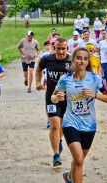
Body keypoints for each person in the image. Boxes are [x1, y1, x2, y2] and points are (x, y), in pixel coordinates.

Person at [51, 47, 107, 183]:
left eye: (85, 59)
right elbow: (53, 96)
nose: (82, 61)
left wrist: (95, 95)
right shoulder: (65, 79)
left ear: (88, 61)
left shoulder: (95, 79)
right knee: (79, 159)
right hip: (70, 122)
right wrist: (56, 98)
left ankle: (69, 177)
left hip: (89, 124)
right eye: (79, 58)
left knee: (78, 160)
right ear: (73, 59)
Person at [36, 37, 71, 166]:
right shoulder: (47, 59)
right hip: (51, 96)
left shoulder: (72, 60)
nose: (61, 51)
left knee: (61, 124)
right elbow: (38, 69)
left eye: (63, 49)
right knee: (54, 124)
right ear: (54, 48)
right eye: (58, 48)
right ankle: (56, 155)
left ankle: (59, 140)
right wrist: (38, 83)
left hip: (67, 98)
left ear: (67, 48)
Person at [37, 41, 51, 128]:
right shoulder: (44, 55)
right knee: (48, 100)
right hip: (48, 80)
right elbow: (39, 68)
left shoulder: (65, 55)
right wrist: (38, 82)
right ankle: (49, 119)